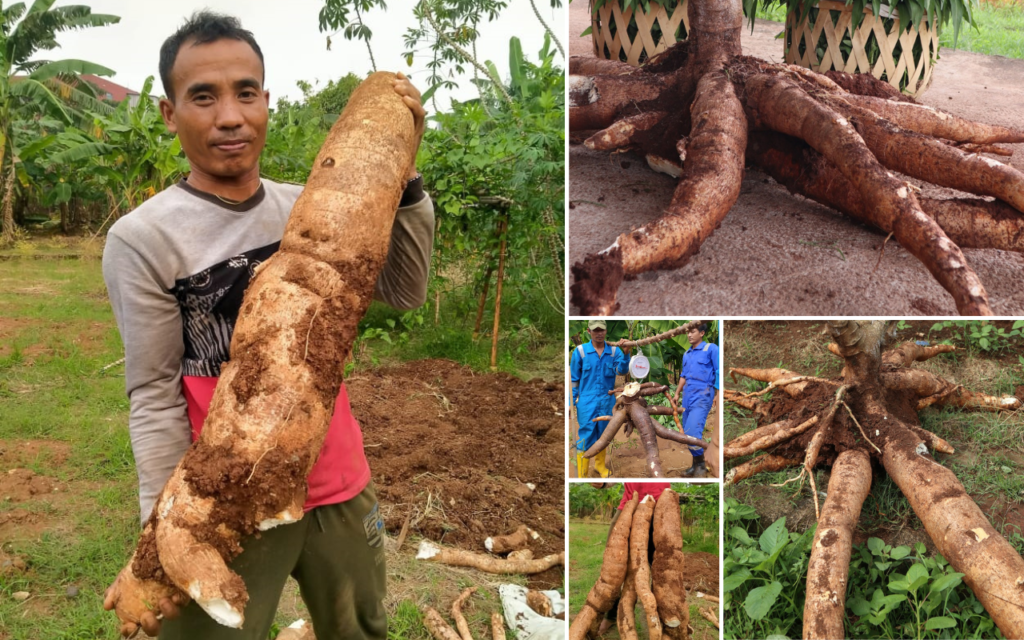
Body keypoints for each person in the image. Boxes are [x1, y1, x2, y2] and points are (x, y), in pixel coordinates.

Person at [101, 11, 432, 639]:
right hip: (227, 494)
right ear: (171, 113)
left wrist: (405, 180)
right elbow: (151, 393)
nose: (230, 116)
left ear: (266, 101)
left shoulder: (308, 203)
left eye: (245, 92)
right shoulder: (142, 239)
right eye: (204, 96)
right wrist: (163, 533)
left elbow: (404, 292)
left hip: (338, 475)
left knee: (360, 629)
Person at [590, 482, 671, 635]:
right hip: (628, 506)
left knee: (661, 571)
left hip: (660, 509)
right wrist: (603, 483)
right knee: (613, 568)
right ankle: (611, 615)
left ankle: (664, 618)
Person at [570, 320, 630, 478]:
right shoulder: (580, 351)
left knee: (604, 434)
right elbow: (574, 379)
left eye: (601, 330)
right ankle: (582, 472)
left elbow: (621, 371)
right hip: (587, 402)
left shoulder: (613, 351)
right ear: (588, 331)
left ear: (606, 331)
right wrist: (571, 403)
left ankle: (599, 466)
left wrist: (626, 354)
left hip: (607, 401)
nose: (599, 333)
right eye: (595, 330)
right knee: (586, 435)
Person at [673, 322, 719, 478]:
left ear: (702, 333)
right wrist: (677, 393)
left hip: (703, 394)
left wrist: (718, 393)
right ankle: (695, 465)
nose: (689, 335)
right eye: (688, 332)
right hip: (687, 396)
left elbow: (719, 370)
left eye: (692, 332)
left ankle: (701, 466)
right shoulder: (687, 354)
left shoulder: (711, 349)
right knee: (687, 434)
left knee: (693, 431)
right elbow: (683, 375)